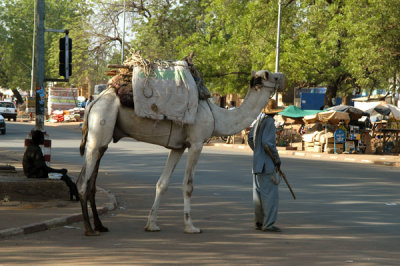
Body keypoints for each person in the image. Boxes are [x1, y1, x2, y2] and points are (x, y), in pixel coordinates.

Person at [248, 109, 281, 232]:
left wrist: (258, 152)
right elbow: (268, 143)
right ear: (274, 112)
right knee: (270, 196)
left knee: (258, 195)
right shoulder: (269, 122)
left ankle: (259, 222)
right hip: (267, 165)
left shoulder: (258, 121)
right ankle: (268, 224)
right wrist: (277, 159)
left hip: (257, 164)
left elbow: (250, 138)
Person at [23, 130, 80, 201]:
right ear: (39, 139)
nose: (43, 140)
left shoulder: (32, 147)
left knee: (64, 176)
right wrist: (59, 171)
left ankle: (74, 194)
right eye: (42, 138)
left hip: (32, 172)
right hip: (34, 174)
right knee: (64, 177)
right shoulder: (35, 150)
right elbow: (43, 167)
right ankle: (76, 195)